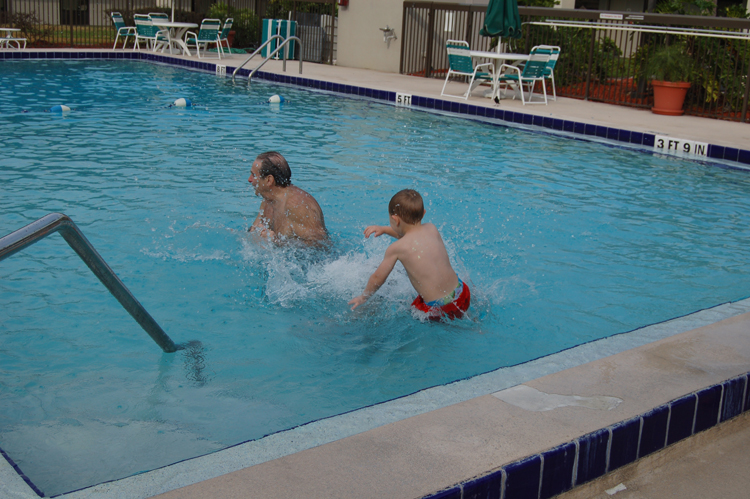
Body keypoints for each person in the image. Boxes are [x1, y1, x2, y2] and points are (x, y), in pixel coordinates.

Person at [349, 189, 470, 320]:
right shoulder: (431, 228)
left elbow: (378, 277)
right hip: (462, 293)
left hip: (440, 308)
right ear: (423, 214)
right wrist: (384, 229)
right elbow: (411, 236)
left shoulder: (396, 248)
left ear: (395, 220)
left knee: (412, 312)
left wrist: (364, 296)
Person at [248, 151, 328, 246]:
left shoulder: (297, 205)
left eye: (254, 175)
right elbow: (252, 231)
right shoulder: (268, 200)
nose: (249, 179)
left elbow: (321, 245)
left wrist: (276, 241)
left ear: (269, 180)